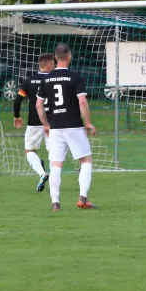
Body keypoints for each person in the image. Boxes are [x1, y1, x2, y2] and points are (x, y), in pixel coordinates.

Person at [36, 43, 97, 212]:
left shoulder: (46, 79)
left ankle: (55, 203)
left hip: (55, 128)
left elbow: (38, 106)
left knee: (56, 165)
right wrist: (88, 123)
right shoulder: (74, 77)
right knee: (85, 160)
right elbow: (82, 101)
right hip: (73, 126)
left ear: (55, 58)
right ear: (69, 56)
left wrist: (46, 125)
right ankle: (82, 198)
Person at [13, 53, 55, 192]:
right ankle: (55, 182)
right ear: (49, 65)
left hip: (34, 121)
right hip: (52, 122)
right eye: (53, 64)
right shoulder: (54, 79)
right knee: (54, 152)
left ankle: (42, 173)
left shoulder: (29, 80)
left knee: (30, 150)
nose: (54, 66)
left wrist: (17, 116)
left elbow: (18, 100)